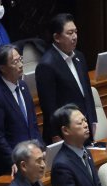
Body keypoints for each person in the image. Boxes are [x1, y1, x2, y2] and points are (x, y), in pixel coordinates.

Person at [0, 44, 41, 177]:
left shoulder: (23, 86)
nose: (21, 64)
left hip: (31, 155)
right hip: (11, 163)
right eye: (15, 62)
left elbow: (33, 123)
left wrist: (40, 148)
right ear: (2, 68)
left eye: (20, 59)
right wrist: (13, 160)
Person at [36, 13, 96, 143]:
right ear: (57, 37)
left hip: (84, 127)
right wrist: (56, 134)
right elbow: (48, 106)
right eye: (69, 33)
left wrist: (93, 120)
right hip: (65, 134)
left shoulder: (79, 57)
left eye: (75, 32)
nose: (74, 37)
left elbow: (87, 94)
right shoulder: (46, 65)